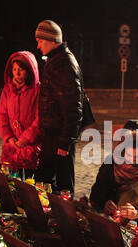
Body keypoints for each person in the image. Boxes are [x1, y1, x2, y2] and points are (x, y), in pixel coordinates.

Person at [34, 20, 83, 194]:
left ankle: (64, 219)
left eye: (41, 41)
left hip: (59, 137)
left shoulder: (63, 64)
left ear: (52, 40)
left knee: (61, 188)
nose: (38, 46)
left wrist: (65, 142)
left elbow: (73, 107)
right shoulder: (56, 60)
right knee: (45, 184)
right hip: (53, 134)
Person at [0, 51, 41, 178]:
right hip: (11, 147)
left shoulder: (38, 91)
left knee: (28, 185)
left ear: (29, 70)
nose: (17, 73)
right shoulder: (7, 90)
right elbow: (2, 115)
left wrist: (25, 139)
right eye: (14, 69)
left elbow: (40, 119)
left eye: (21, 69)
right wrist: (8, 137)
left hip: (30, 147)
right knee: (11, 184)